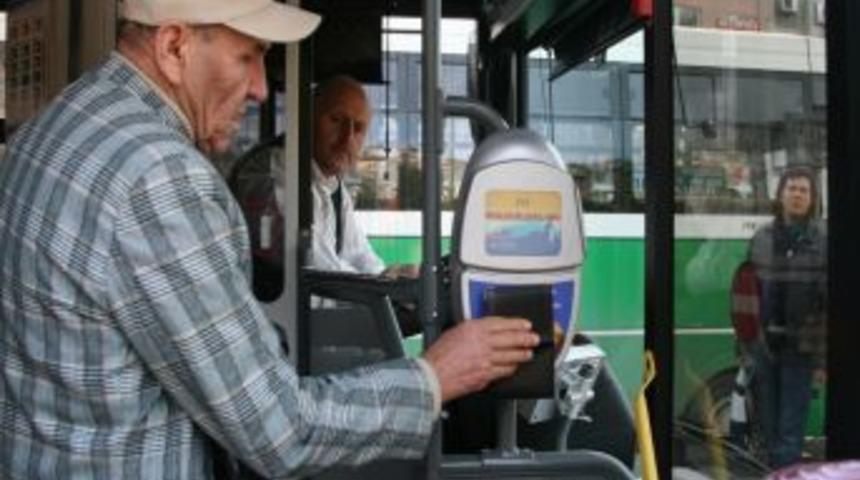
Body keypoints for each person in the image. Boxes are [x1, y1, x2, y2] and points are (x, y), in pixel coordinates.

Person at [0, 1, 541, 479]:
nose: (262, 87)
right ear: (173, 46)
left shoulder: (56, 123)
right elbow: (279, 429)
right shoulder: (158, 177)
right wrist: (435, 377)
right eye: (248, 56)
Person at [747, 167, 827, 469]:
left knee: (790, 433)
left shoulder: (823, 240)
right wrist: (746, 348)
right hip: (764, 347)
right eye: (791, 188)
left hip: (801, 350)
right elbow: (747, 293)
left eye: (803, 190)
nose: (797, 195)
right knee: (767, 430)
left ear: (812, 198)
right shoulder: (762, 238)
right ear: (780, 195)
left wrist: (822, 360)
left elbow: (828, 304)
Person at [309, 75, 416, 277]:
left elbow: (359, 255)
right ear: (308, 118)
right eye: (336, 120)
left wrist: (390, 276)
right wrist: (383, 283)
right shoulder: (285, 174)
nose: (347, 138)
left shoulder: (335, 189)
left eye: (358, 128)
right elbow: (319, 269)